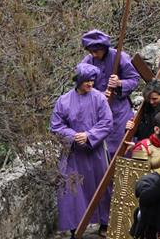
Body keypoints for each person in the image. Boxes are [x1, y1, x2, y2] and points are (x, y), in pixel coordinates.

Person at [50, 62, 114, 238]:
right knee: (73, 190)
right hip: (73, 154)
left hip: (95, 152)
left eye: (92, 81)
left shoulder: (99, 98)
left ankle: (104, 222)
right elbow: (56, 126)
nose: (90, 84)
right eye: (87, 81)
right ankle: (75, 227)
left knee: (101, 186)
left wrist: (89, 135)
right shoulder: (63, 101)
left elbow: (107, 122)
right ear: (79, 81)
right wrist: (72, 135)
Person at [81, 29, 140, 155]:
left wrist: (119, 83)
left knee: (122, 144)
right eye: (91, 52)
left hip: (119, 109)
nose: (94, 54)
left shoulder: (120, 57)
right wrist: (98, 95)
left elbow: (134, 79)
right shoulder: (88, 61)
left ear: (103, 48)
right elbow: (81, 84)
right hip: (97, 110)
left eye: (96, 51)